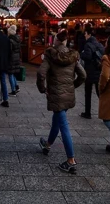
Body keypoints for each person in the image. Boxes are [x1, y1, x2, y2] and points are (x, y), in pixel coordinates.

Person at [37, 30, 86, 174]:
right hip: (67, 95)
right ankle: (48, 144)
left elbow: (41, 74)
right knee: (57, 120)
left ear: (56, 41)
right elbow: (83, 75)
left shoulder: (50, 55)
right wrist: (72, 86)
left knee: (63, 125)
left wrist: (43, 89)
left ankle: (71, 160)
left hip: (56, 95)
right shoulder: (73, 55)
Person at [80, 26, 104, 119]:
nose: (84, 36)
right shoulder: (99, 44)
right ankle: (106, 112)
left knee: (88, 93)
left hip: (89, 72)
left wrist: (82, 54)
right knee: (100, 94)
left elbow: (87, 56)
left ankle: (87, 112)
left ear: (88, 34)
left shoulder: (88, 45)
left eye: (85, 34)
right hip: (98, 71)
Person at [7, 24, 21, 96]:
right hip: (17, 58)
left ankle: (13, 90)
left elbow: (9, 50)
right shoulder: (18, 38)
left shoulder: (10, 40)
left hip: (11, 58)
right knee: (13, 73)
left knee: (10, 74)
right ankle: (16, 87)